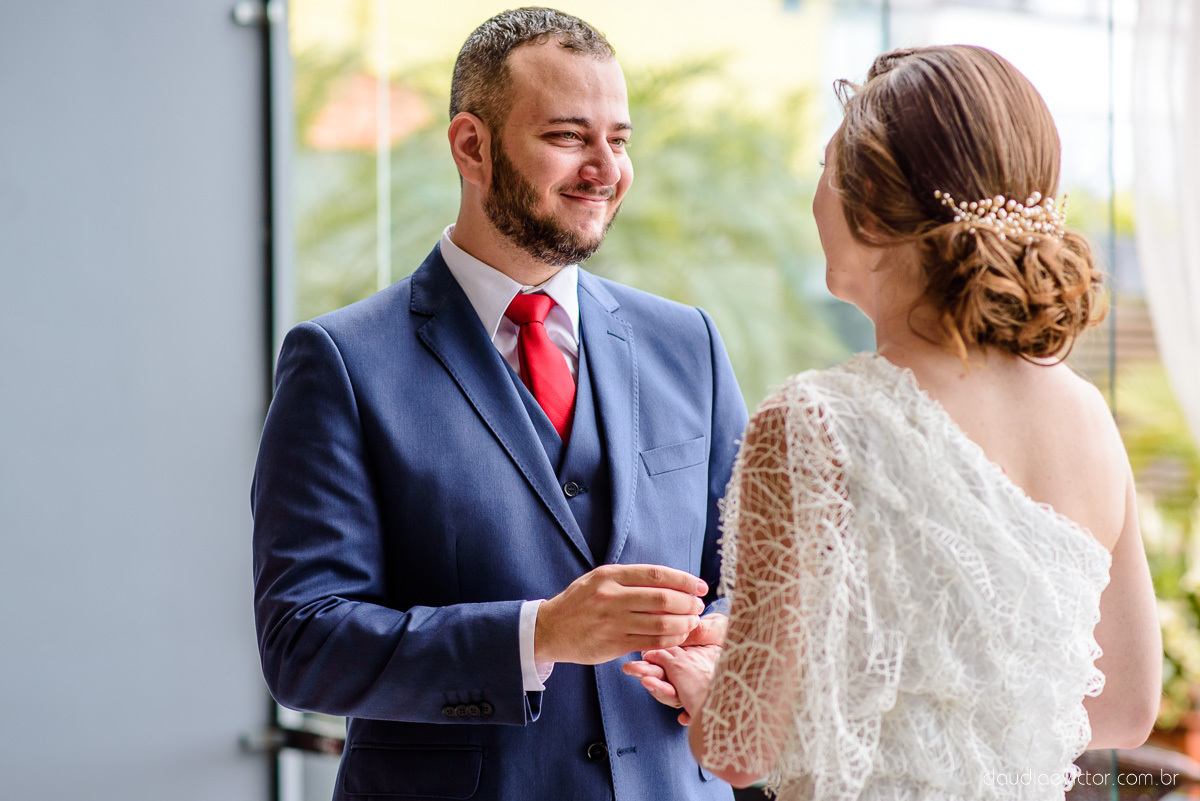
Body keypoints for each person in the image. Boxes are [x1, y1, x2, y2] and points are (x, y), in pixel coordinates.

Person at [624, 45, 1162, 799]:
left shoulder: (815, 421)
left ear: (869, 201)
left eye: (825, 164)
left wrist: (712, 681)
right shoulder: (1087, 415)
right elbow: (1125, 707)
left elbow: (742, 746)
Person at [251, 7, 746, 801]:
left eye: (618, 140)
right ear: (471, 146)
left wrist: (725, 642)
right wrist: (537, 635)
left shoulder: (688, 343)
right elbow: (303, 644)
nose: (605, 169)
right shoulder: (341, 362)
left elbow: (750, 584)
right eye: (567, 137)